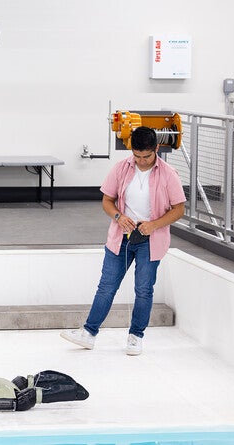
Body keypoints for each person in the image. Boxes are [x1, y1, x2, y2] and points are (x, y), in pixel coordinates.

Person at [61, 126, 185, 356]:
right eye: (137, 156)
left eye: (147, 156)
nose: (142, 161)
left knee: (144, 290)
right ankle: (89, 333)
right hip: (121, 237)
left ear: (156, 149)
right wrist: (119, 216)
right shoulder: (121, 169)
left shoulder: (169, 174)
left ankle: (136, 336)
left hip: (150, 240)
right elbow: (107, 201)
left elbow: (179, 209)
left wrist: (153, 225)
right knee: (106, 287)